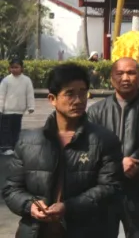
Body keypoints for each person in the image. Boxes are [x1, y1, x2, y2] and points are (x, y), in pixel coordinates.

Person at [2, 63, 122, 238]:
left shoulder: (104, 140)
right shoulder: (28, 141)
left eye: (83, 93)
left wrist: (68, 207)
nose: (78, 100)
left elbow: (110, 188)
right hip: (36, 232)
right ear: (52, 99)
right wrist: (30, 206)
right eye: (70, 94)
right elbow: (11, 189)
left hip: (87, 231)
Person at [86, 57, 139, 238]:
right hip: (105, 188)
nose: (125, 78)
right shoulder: (96, 111)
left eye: (131, 73)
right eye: (120, 73)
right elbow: (92, 147)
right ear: (111, 78)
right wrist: (118, 164)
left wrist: (131, 161)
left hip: (138, 187)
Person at [0, 58, 35, 154]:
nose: (14, 69)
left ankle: (14, 146)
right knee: (6, 129)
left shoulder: (26, 80)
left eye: (17, 67)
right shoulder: (6, 81)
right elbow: (1, 95)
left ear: (22, 68)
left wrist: (31, 106)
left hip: (19, 111)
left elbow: (30, 94)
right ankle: (6, 147)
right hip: (7, 111)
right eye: (12, 67)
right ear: (9, 68)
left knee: (16, 129)